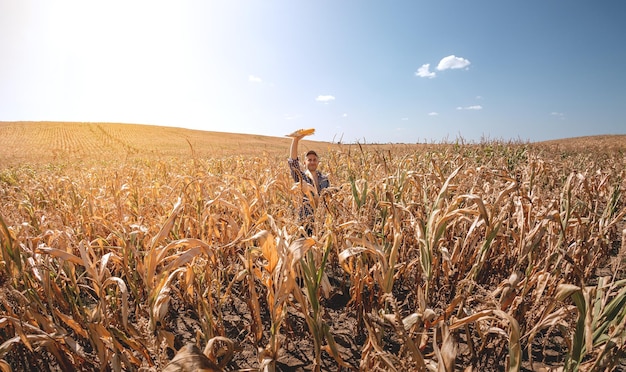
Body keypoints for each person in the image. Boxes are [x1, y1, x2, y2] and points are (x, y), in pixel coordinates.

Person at [287, 130, 330, 235]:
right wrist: (296, 139)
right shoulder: (302, 178)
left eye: (314, 159)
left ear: (318, 162)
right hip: (304, 222)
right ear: (304, 162)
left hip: (321, 222)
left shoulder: (325, 179)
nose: (312, 162)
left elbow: (329, 199)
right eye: (309, 160)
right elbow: (293, 162)